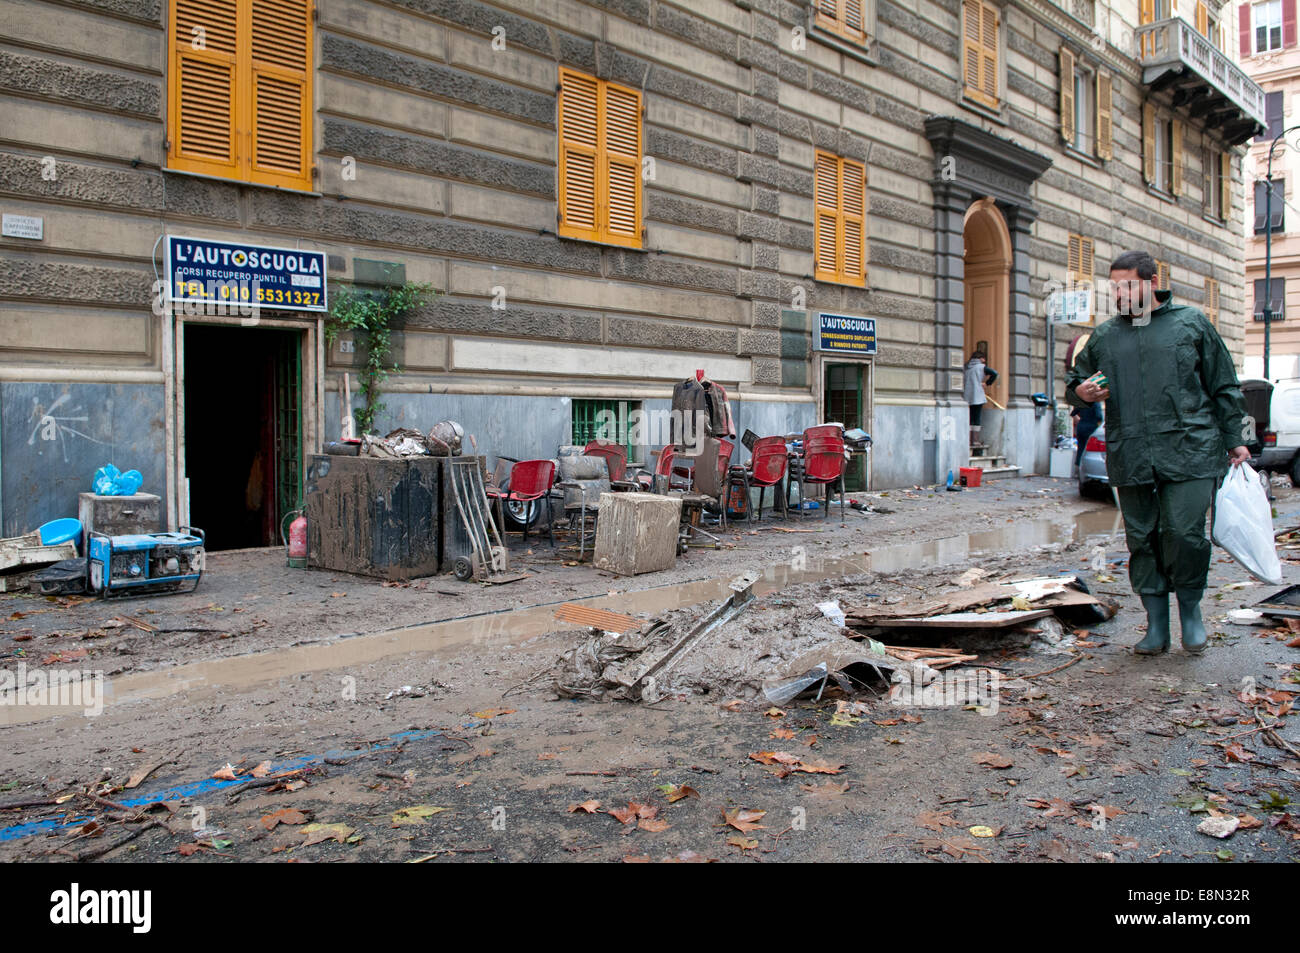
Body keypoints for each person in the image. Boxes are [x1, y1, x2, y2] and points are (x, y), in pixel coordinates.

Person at [1067, 251, 1249, 655]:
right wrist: (1080, 393)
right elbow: (1075, 383)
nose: (1119, 294)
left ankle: (1191, 615)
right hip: (1130, 451)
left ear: (1150, 283)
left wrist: (1234, 437)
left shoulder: (1191, 324)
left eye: (1127, 285)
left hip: (1191, 449)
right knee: (1142, 539)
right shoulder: (1105, 336)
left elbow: (1224, 383)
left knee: (1183, 534)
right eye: (1113, 287)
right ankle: (1155, 627)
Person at [1066, 333, 1101, 473]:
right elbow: (1099, 416)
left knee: (1081, 449)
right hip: (1090, 427)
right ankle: (1082, 470)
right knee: (1087, 450)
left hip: (1081, 427)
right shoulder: (1094, 401)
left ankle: (1077, 467)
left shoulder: (1080, 400)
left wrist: (1078, 419)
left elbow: (1073, 412)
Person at [963, 349, 998, 448]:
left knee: (970, 417)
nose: (985, 360)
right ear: (980, 358)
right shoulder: (981, 367)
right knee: (977, 418)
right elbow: (995, 373)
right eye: (983, 358)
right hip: (977, 394)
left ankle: (968, 439)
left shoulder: (966, 367)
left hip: (967, 395)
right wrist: (987, 383)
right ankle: (975, 440)